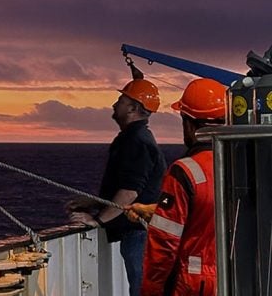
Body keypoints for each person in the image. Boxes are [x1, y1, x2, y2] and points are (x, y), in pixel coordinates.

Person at [126, 78, 226, 295]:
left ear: (188, 123)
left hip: (194, 284)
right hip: (234, 278)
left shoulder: (185, 171)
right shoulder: (243, 165)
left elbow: (163, 244)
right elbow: (209, 212)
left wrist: (150, 291)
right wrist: (151, 210)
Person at [67, 79, 166, 296]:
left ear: (133, 108)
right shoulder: (136, 138)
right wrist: (94, 202)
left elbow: (130, 191)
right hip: (141, 232)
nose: (114, 104)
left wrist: (97, 220)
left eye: (121, 99)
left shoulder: (136, 141)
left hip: (138, 233)